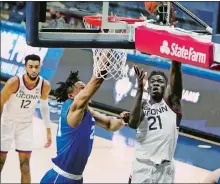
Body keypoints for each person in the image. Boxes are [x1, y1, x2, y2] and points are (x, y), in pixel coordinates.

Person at [40, 70, 129, 184]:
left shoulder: (87, 111)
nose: (86, 88)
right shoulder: (73, 109)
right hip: (60, 178)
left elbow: (110, 124)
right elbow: (95, 83)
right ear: (71, 95)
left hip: (76, 178)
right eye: (81, 87)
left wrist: (122, 121)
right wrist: (104, 63)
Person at [128, 61, 183, 183]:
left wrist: (176, 57)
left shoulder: (173, 104)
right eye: (152, 82)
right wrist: (140, 88)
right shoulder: (142, 105)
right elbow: (132, 123)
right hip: (142, 166)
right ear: (148, 87)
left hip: (165, 169)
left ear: (167, 86)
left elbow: (175, 70)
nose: (156, 84)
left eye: (160, 82)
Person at [0, 54, 52, 183]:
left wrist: (48, 130)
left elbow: (44, 108)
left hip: (25, 126)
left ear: (40, 68)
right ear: (25, 67)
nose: (33, 70)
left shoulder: (44, 85)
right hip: (7, 123)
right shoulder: (14, 82)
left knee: (25, 167)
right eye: (31, 67)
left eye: (36, 67)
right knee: (1, 162)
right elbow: (0, 103)